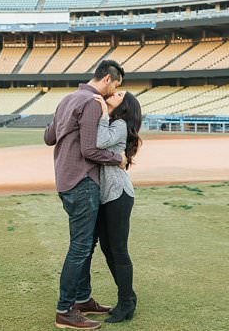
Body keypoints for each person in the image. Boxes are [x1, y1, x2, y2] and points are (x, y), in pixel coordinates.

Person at [43, 59, 129, 330]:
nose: (114, 91)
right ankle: (65, 311)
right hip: (82, 181)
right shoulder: (93, 102)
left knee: (85, 244)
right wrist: (118, 158)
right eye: (116, 85)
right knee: (80, 247)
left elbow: (48, 137)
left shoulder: (67, 99)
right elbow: (90, 151)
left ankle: (82, 298)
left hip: (65, 180)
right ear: (107, 80)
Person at [93, 90, 143, 323]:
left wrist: (103, 112)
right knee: (107, 248)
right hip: (107, 195)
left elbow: (100, 142)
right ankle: (128, 296)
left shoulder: (120, 123)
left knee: (119, 250)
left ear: (125, 105)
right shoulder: (117, 123)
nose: (114, 93)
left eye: (119, 94)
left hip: (119, 194)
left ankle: (126, 303)